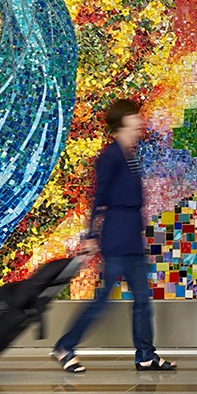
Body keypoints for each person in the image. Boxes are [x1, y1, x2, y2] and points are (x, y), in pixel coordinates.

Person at [51, 99, 176, 374]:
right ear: (122, 121)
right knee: (103, 299)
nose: (140, 120)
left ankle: (146, 355)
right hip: (117, 236)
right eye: (134, 116)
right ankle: (65, 346)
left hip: (130, 234)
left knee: (143, 299)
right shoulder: (110, 156)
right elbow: (99, 196)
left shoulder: (128, 154)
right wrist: (90, 234)